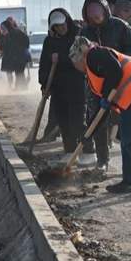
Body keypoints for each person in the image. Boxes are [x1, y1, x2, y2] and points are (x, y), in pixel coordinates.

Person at [69, 36, 131, 193]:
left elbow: (115, 71)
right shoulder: (94, 67)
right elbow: (101, 112)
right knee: (127, 140)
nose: (76, 67)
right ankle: (129, 180)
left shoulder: (94, 55)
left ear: (79, 57)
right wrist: (88, 134)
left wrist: (106, 96)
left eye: (75, 63)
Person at [80, 0, 131, 171]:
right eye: (90, 12)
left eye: (97, 10)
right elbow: (79, 54)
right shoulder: (85, 32)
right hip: (96, 83)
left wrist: (120, 64)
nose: (94, 15)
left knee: (125, 122)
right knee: (98, 121)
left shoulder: (120, 26)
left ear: (104, 9)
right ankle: (102, 161)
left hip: (121, 81)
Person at [39, 9, 85, 158]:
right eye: (56, 26)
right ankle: (69, 150)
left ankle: (87, 150)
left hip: (78, 84)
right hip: (58, 86)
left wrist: (61, 58)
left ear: (67, 21)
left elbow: (81, 58)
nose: (61, 28)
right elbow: (44, 63)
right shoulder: (50, 40)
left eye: (62, 24)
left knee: (77, 121)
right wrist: (44, 83)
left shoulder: (79, 35)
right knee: (63, 121)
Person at [0, 17, 29, 89]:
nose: (2, 30)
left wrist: (22, 48)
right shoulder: (9, 34)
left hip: (20, 57)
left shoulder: (15, 33)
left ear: (7, 27)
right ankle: (21, 88)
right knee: (18, 73)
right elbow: (6, 47)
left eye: (3, 28)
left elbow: (26, 41)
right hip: (17, 57)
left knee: (19, 73)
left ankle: (21, 88)